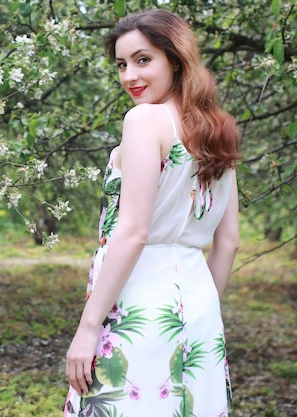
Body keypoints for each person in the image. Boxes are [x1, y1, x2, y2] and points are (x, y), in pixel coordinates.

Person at [64, 9, 240, 417]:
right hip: (200, 304)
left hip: (137, 302)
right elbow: (228, 242)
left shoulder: (145, 120)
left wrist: (89, 328)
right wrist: (200, 313)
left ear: (175, 60)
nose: (129, 76)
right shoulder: (219, 129)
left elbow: (133, 231)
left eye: (143, 60)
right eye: (122, 65)